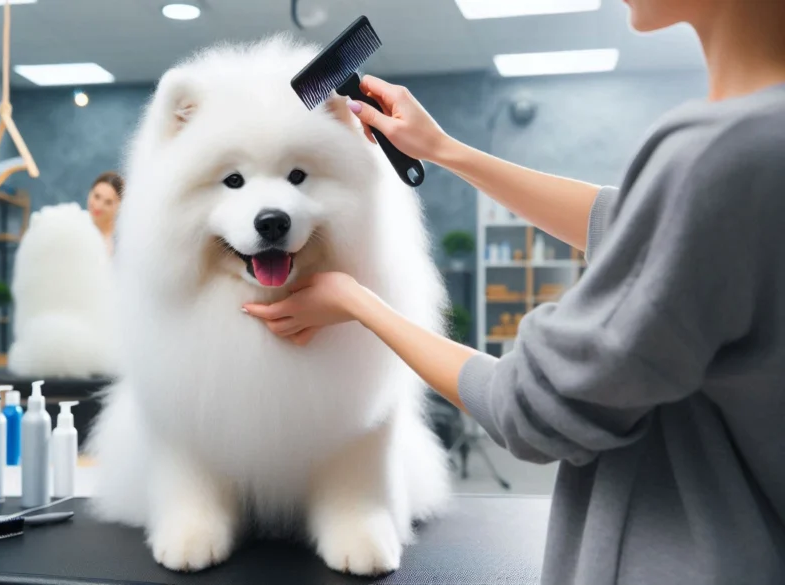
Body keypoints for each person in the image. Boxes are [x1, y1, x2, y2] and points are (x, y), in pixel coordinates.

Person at [243, 1, 785, 583]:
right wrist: (444, 149)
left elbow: (528, 406)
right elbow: (627, 220)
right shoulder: (757, 140)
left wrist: (357, 303)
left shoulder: (716, 153)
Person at [87, 170, 123, 253]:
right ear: (90, 192)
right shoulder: (77, 223)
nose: (98, 206)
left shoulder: (116, 246)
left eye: (108, 202)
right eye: (97, 196)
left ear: (119, 207)